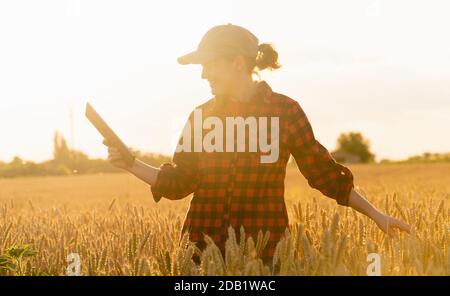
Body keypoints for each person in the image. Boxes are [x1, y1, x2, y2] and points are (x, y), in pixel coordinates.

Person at [104, 24, 411, 265]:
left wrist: (378, 216)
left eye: (209, 64)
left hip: (265, 259)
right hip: (200, 257)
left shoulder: (285, 112)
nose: (202, 74)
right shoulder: (201, 117)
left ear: (238, 63)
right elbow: (179, 182)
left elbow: (326, 175)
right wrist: (130, 163)